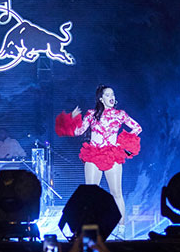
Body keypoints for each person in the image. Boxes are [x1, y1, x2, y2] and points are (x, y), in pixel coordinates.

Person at [56, 84, 142, 225]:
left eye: (112, 94)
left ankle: (121, 229)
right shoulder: (91, 114)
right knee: (90, 193)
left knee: (116, 193)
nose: (111, 97)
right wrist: (72, 117)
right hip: (93, 154)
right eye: (107, 95)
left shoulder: (120, 114)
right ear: (101, 99)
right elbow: (79, 131)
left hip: (112, 155)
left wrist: (121, 143)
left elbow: (137, 128)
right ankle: (91, 226)